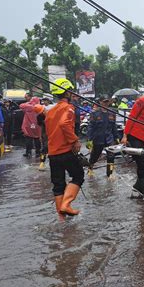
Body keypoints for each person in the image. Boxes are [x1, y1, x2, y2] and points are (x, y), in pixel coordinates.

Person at [45, 78, 84, 216]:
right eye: (70, 91)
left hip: (52, 153)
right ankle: (66, 205)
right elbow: (64, 124)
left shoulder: (50, 111)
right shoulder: (68, 108)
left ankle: (61, 218)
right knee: (78, 175)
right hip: (65, 151)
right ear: (66, 93)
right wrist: (75, 141)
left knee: (58, 185)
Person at [121, 93, 144, 200]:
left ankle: (138, 185)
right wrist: (125, 135)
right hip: (135, 135)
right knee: (141, 164)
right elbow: (132, 117)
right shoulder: (142, 101)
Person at [86, 95, 120, 180]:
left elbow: (114, 126)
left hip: (109, 138)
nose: (106, 103)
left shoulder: (112, 113)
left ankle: (110, 174)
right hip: (98, 138)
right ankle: (90, 168)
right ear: (100, 102)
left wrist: (117, 137)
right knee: (95, 155)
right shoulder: (94, 113)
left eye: (107, 101)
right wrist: (89, 139)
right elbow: (90, 127)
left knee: (111, 156)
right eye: (104, 101)